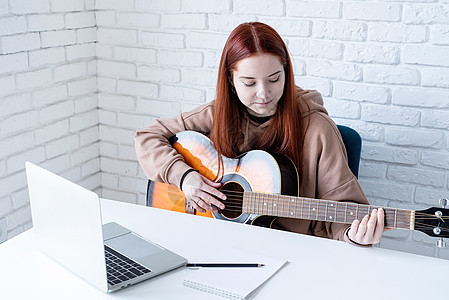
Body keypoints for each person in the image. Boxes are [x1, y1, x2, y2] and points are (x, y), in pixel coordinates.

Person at [134, 22, 385, 246]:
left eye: (274, 79)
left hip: (295, 253)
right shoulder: (216, 114)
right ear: (230, 81)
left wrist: (355, 235)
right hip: (216, 242)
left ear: (286, 72)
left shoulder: (318, 129)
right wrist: (185, 177)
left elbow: (345, 211)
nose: (264, 94)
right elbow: (148, 137)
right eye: (250, 83)